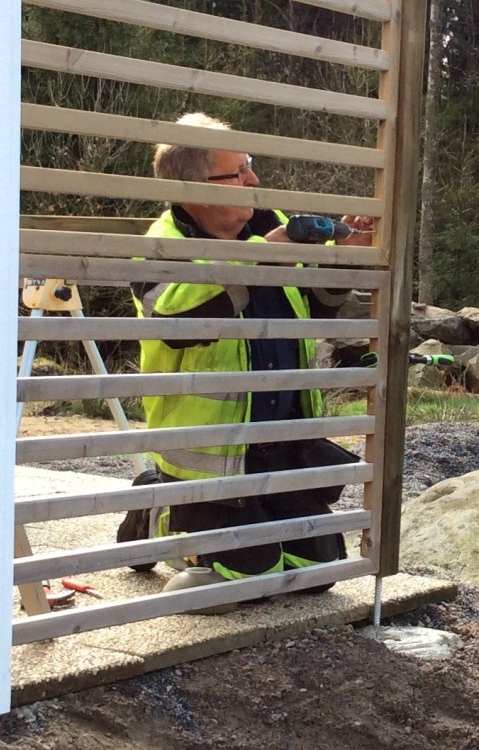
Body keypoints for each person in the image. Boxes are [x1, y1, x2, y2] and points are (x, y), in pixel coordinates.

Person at [117, 112, 375, 608]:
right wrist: (260, 258)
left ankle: (198, 519)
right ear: (196, 188)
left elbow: (319, 305)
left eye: (249, 165)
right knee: (244, 580)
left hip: (280, 446)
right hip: (213, 462)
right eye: (238, 172)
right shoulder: (159, 248)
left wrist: (346, 258)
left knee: (317, 573)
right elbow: (180, 320)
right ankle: (158, 507)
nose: (253, 180)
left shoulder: (270, 227)